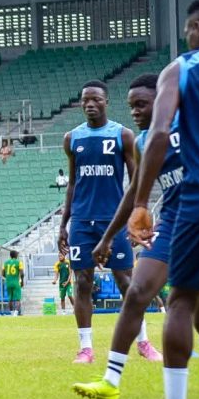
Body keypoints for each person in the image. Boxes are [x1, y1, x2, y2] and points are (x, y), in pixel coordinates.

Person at [127, 0, 199, 399]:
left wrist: (141, 202)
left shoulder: (180, 69)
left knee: (181, 300)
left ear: (197, 28)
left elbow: (158, 134)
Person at [75, 75, 172, 399]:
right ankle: (100, 366)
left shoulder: (128, 135)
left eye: (141, 104)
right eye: (132, 106)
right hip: (164, 223)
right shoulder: (141, 141)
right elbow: (135, 188)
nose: (135, 111)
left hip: (195, 218)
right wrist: (132, 217)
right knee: (120, 288)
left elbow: (134, 183)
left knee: (138, 286)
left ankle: (154, 342)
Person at [58, 79, 143, 364]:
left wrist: (135, 216)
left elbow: (136, 180)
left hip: (113, 220)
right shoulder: (72, 139)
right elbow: (72, 184)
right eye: (85, 101)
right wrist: (63, 223)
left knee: (126, 282)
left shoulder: (123, 135)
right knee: (82, 282)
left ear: (106, 101)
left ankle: (143, 341)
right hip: (82, 220)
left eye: (95, 99)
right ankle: (86, 348)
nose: (89, 105)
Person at [2, 250, 25, 316]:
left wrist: (9, 277)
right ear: (16, 255)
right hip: (16, 282)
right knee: (18, 299)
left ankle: (11, 313)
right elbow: (22, 273)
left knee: (10, 299)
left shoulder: (5, 262)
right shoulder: (18, 262)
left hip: (8, 283)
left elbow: (2, 273)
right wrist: (22, 281)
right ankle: (16, 313)